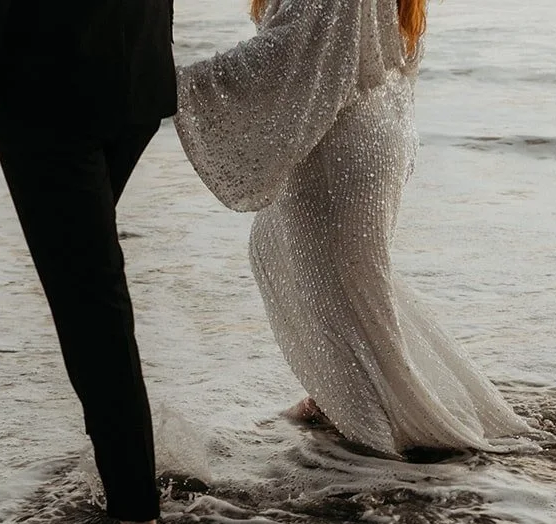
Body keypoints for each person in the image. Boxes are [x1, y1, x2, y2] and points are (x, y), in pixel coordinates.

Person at [175, 0, 531, 457]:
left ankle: (374, 447)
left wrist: (173, 84)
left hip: (342, 145)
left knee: (339, 290)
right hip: (369, 131)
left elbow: (286, 54)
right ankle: (341, 404)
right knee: (336, 282)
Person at [0, 0, 176, 524]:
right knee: (90, 285)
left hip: (42, 86)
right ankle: (131, 506)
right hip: (132, 72)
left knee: (89, 299)